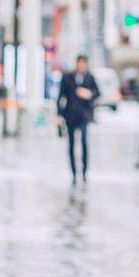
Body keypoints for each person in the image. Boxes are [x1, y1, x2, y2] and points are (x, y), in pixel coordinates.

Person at [57, 54, 101, 184]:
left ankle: (85, 171)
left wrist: (89, 94)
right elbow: (61, 97)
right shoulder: (67, 77)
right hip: (70, 115)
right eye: (79, 63)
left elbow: (97, 93)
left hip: (84, 115)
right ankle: (74, 172)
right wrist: (59, 114)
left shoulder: (90, 77)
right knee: (71, 144)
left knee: (84, 142)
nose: (81, 65)